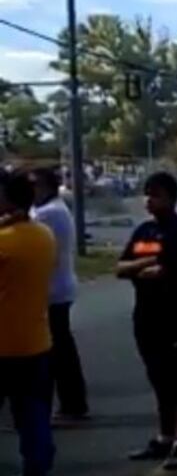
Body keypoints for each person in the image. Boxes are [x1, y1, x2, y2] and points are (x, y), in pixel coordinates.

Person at [116, 172, 177, 470]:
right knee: (159, 379)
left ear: (171, 198)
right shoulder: (143, 231)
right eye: (147, 194)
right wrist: (145, 263)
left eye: (156, 195)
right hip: (146, 315)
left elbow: (167, 270)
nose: (149, 200)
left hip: (175, 316)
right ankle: (164, 437)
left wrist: (147, 268)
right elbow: (121, 268)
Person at [0, 170, 57, 476]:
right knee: (33, 415)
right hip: (36, 343)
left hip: (3, 345)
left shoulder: (4, 242)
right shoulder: (43, 236)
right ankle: (39, 465)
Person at [30, 167, 89, 421]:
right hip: (57, 288)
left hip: (52, 290)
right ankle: (72, 403)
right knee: (61, 348)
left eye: (34, 185)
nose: (31, 191)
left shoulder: (49, 213)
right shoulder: (54, 208)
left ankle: (72, 404)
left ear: (46, 187)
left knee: (57, 351)